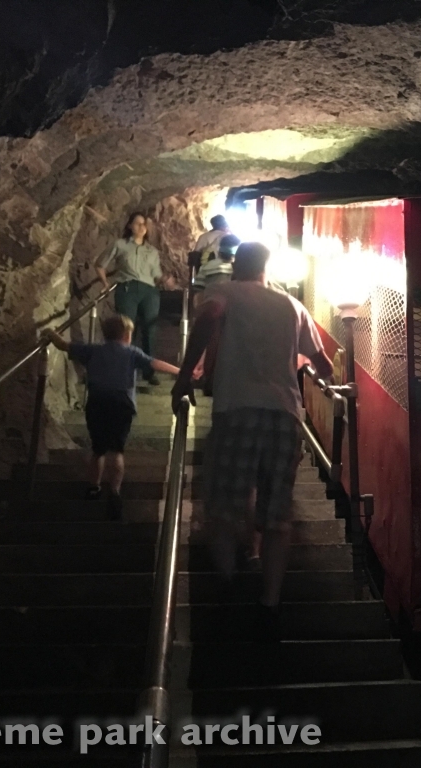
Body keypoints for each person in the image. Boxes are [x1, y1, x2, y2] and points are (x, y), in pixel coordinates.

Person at [172, 242, 334, 641]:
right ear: (266, 267)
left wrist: (183, 379)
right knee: (277, 513)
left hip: (237, 410)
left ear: (235, 266)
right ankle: (270, 601)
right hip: (285, 416)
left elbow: (209, 316)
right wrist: (286, 359)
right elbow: (324, 364)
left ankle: (227, 584)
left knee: (225, 501)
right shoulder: (291, 306)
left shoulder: (223, 292)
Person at [44, 315, 180, 519]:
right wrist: (180, 371)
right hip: (121, 403)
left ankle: (93, 487)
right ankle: (115, 492)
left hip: (97, 401)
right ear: (127, 335)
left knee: (98, 449)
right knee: (116, 450)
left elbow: (64, 345)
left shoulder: (93, 350)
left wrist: (49, 332)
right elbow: (154, 364)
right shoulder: (131, 352)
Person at [97, 213, 164, 384]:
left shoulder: (152, 251)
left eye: (144, 224)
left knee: (150, 330)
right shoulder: (120, 245)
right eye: (138, 223)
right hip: (128, 288)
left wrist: (166, 281)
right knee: (126, 329)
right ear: (130, 226)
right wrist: (105, 284)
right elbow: (100, 264)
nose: (142, 227)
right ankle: (125, 368)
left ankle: (149, 371)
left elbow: (156, 274)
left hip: (149, 290)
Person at [191, 234, 238, 310]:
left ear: (219, 251)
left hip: (210, 309)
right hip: (231, 310)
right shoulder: (238, 269)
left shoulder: (206, 267)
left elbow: (198, 292)